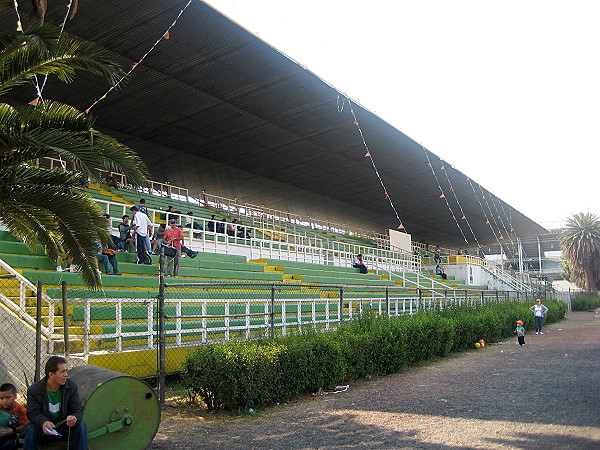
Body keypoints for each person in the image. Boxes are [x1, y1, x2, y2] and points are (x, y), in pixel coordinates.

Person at [24, 356, 87, 450]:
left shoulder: (71, 387)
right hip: (44, 428)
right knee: (31, 430)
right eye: (62, 372)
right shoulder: (35, 390)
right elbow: (33, 413)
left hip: (64, 428)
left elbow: (77, 409)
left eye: (66, 370)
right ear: (51, 374)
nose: (66, 375)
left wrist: (75, 417)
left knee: (81, 426)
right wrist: (43, 422)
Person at [0, 383, 29, 450]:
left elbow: (25, 426)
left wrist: (11, 430)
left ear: (16, 396)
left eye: (8, 397)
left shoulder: (21, 410)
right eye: (1, 398)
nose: (4, 401)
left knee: (9, 444)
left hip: (11, 436)